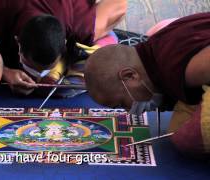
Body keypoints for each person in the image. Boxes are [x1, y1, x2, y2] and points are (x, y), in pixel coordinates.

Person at [85, 13, 210, 156]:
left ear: (130, 76)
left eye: (121, 103)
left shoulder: (179, 65)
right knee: (177, 128)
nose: (128, 111)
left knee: (188, 138)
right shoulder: (156, 50)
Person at [0, 0, 127, 96]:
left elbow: (119, 4)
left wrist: (95, 36)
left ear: (65, 42)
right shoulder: (1, 11)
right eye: (33, 68)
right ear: (18, 43)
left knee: (96, 40)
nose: (39, 76)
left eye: (47, 69)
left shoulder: (77, 25)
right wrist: (5, 71)